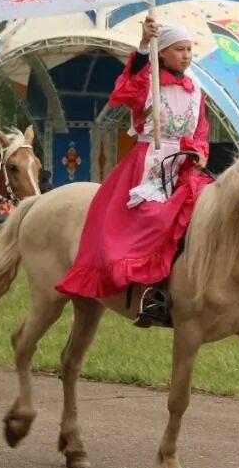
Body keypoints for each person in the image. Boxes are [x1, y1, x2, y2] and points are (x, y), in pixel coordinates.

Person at [57, 17, 212, 328]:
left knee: (210, 211)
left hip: (184, 165)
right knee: (155, 216)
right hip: (149, 166)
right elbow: (127, 88)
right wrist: (143, 47)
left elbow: (201, 130)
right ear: (163, 53)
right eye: (179, 49)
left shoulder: (196, 91)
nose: (186, 55)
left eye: (189, 49)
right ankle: (148, 291)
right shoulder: (147, 83)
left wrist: (199, 152)